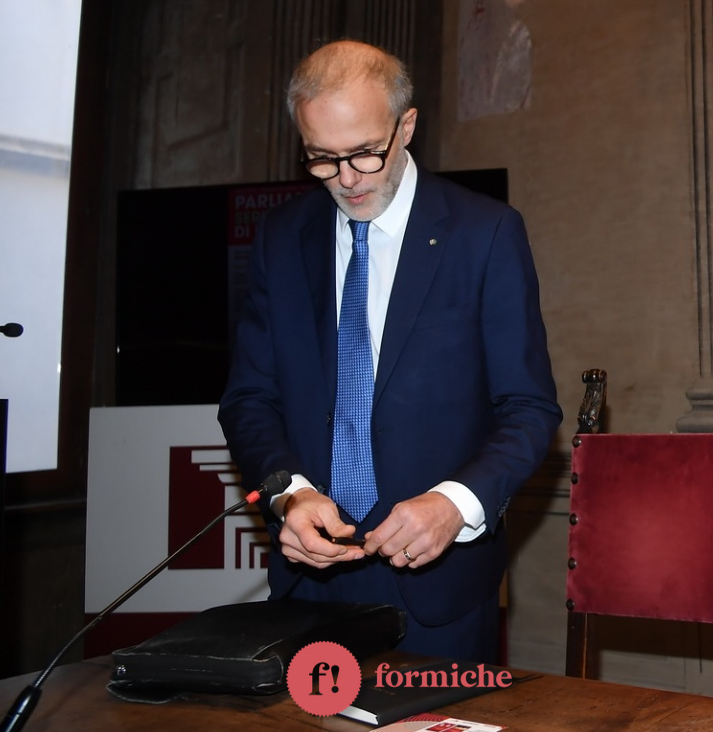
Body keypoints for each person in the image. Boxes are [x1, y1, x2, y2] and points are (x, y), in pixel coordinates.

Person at [220, 40, 562, 661]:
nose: (347, 179)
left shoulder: (484, 233)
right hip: (309, 584)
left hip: (439, 589)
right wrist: (288, 494)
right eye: (322, 159)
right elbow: (249, 399)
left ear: (406, 127)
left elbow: (529, 409)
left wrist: (455, 504)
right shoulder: (281, 238)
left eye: (365, 153)